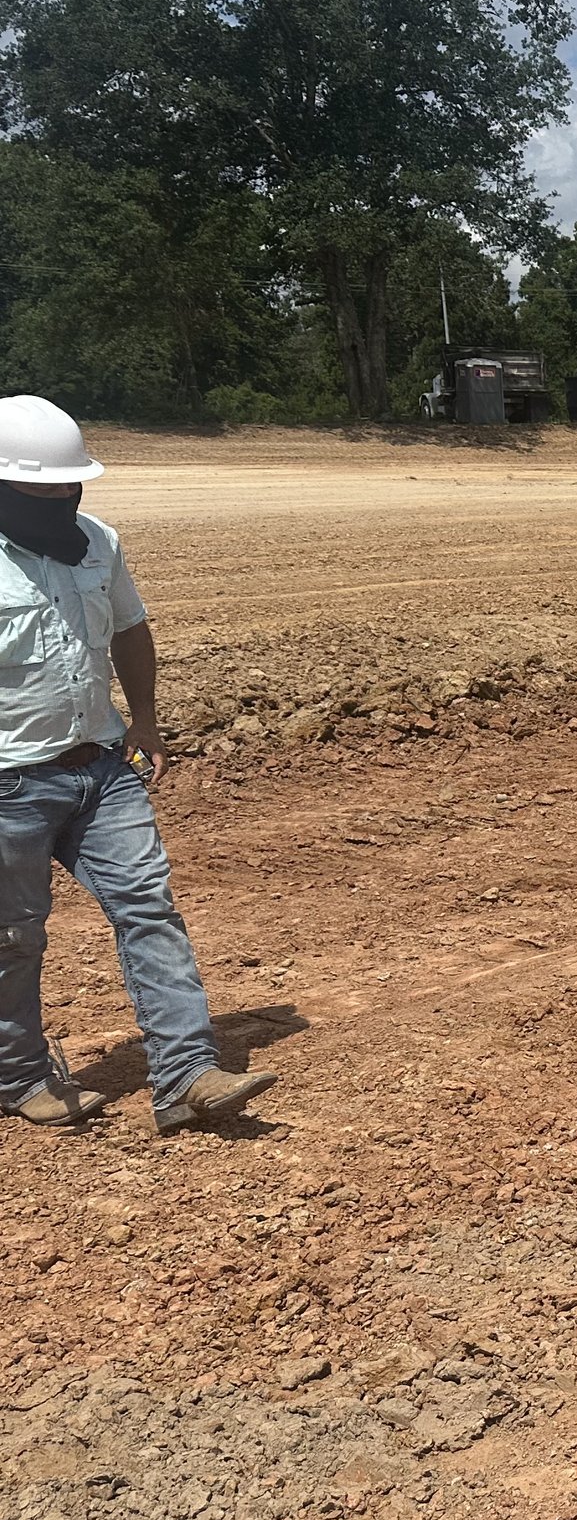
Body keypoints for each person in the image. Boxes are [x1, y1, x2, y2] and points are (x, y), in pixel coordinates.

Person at [0, 396, 274, 1134]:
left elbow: (129, 627)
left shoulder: (97, 542)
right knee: (13, 936)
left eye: (70, 484)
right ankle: (20, 1077)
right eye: (43, 488)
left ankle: (186, 1074)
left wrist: (145, 717)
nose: (62, 497)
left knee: (150, 908)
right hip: (8, 785)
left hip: (101, 767)